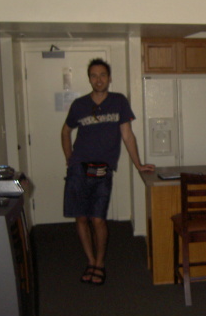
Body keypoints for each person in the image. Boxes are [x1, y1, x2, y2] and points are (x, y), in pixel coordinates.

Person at [61, 58, 154, 285]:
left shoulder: (118, 101)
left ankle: (100, 263)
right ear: (89, 79)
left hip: (101, 169)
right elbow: (65, 132)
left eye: (102, 75)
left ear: (109, 78)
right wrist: (69, 159)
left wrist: (138, 164)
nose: (99, 79)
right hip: (78, 168)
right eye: (94, 75)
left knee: (98, 219)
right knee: (81, 217)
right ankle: (90, 261)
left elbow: (127, 136)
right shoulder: (79, 104)